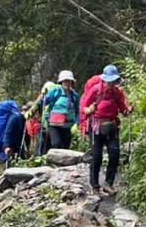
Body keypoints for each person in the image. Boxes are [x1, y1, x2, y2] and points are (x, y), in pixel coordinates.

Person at [81, 64, 131, 195]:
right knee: (96, 157)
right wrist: (89, 110)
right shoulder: (95, 90)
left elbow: (123, 109)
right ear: (104, 80)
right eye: (108, 81)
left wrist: (128, 110)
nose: (110, 84)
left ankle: (108, 183)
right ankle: (95, 186)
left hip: (112, 127)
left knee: (114, 154)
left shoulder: (117, 93)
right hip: (96, 127)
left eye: (113, 81)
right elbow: (83, 108)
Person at [45, 70, 79, 150]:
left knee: (65, 149)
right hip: (54, 125)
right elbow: (44, 101)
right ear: (61, 82)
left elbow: (78, 111)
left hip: (68, 126)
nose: (67, 83)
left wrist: (76, 124)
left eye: (69, 81)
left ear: (72, 82)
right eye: (65, 81)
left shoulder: (74, 96)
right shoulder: (55, 92)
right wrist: (44, 96)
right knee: (56, 144)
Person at [0, 98, 26, 165]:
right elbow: (8, 131)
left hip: (2, 146)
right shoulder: (15, 117)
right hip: (9, 146)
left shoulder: (11, 116)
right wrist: (7, 146)